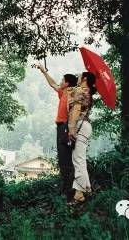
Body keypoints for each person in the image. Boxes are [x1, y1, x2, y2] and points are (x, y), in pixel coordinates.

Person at [34, 63, 77, 200]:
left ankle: (69, 191)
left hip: (65, 127)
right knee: (62, 157)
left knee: (65, 158)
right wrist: (44, 72)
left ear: (67, 83)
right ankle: (66, 188)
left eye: (63, 80)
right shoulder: (63, 92)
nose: (60, 81)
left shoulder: (71, 92)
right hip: (60, 127)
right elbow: (53, 84)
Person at [67, 71, 96, 204]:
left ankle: (79, 194)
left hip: (79, 126)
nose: (77, 77)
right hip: (85, 126)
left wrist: (72, 129)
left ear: (84, 78)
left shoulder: (81, 90)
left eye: (79, 76)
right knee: (79, 159)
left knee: (78, 160)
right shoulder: (87, 91)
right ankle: (87, 189)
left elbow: (76, 109)